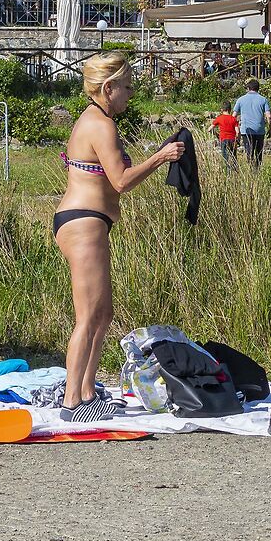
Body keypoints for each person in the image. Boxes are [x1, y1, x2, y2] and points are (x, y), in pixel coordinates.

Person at [53, 53, 185, 421]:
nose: (130, 94)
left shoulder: (98, 120)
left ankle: (87, 391)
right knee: (88, 316)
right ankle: (72, 402)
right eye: (126, 87)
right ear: (108, 88)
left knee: (103, 313)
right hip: (83, 221)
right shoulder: (100, 124)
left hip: (88, 221)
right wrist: (161, 157)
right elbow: (121, 182)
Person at [234, 79, 271, 170]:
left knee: (249, 152)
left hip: (246, 130)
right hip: (259, 130)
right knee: (258, 153)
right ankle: (257, 170)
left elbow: (234, 115)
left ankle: (250, 171)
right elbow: (269, 116)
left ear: (248, 88)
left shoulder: (241, 100)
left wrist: (235, 129)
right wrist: (270, 129)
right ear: (258, 88)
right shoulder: (263, 100)